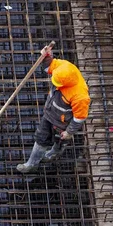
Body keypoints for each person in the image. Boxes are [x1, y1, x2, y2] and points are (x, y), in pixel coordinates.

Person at [17, 45, 91, 173]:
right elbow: (48, 67)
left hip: (62, 123)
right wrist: (46, 56)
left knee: (60, 140)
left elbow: (79, 118)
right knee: (41, 137)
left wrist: (69, 132)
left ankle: (53, 153)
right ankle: (31, 164)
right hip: (49, 113)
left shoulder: (80, 96)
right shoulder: (64, 67)